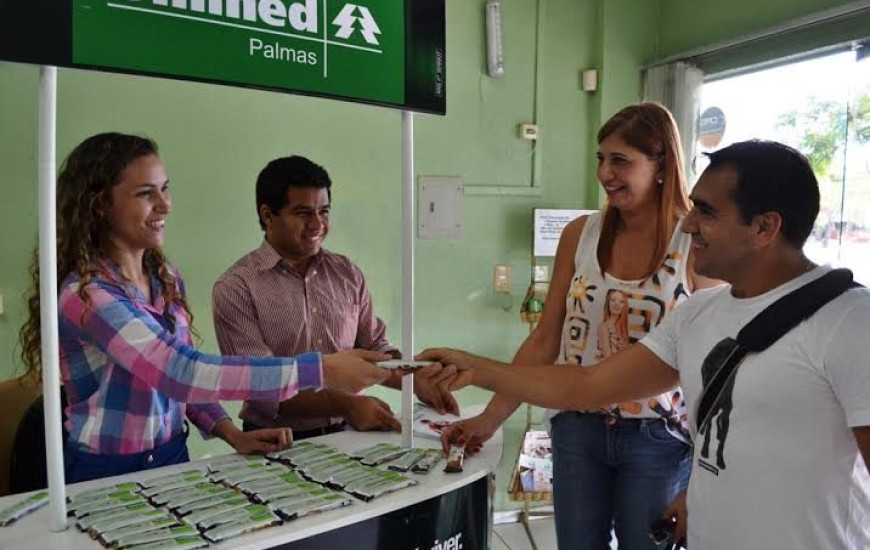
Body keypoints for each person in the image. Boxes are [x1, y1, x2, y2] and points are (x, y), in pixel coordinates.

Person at [421, 140, 870, 550]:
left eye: (707, 212)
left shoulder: (850, 321)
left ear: (765, 227)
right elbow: (587, 385)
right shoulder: (699, 313)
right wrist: (474, 368)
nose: (689, 223)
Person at [17, 133, 395, 483]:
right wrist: (322, 369)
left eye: (165, 189)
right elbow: (180, 371)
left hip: (171, 453)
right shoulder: (87, 295)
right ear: (99, 204)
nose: (165, 204)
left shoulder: (163, 275)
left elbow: (184, 378)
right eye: (147, 193)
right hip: (104, 467)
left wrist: (229, 433)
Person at [438, 103, 718, 550]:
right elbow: (545, 338)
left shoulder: (696, 241)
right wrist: (490, 418)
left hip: (658, 437)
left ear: (661, 163)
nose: (605, 173)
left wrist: (705, 477)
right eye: (601, 158)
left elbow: (715, 367)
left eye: (621, 160)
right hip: (576, 428)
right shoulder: (581, 234)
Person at [212, 156, 459, 440]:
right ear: (268, 215)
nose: (317, 224)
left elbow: (376, 348)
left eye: (324, 211)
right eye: (303, 213)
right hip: (276, 441)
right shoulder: (237, 288)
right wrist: (347, 404)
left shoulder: (346, 273)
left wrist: (416, 381)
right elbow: (260, 386)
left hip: (349, 434)